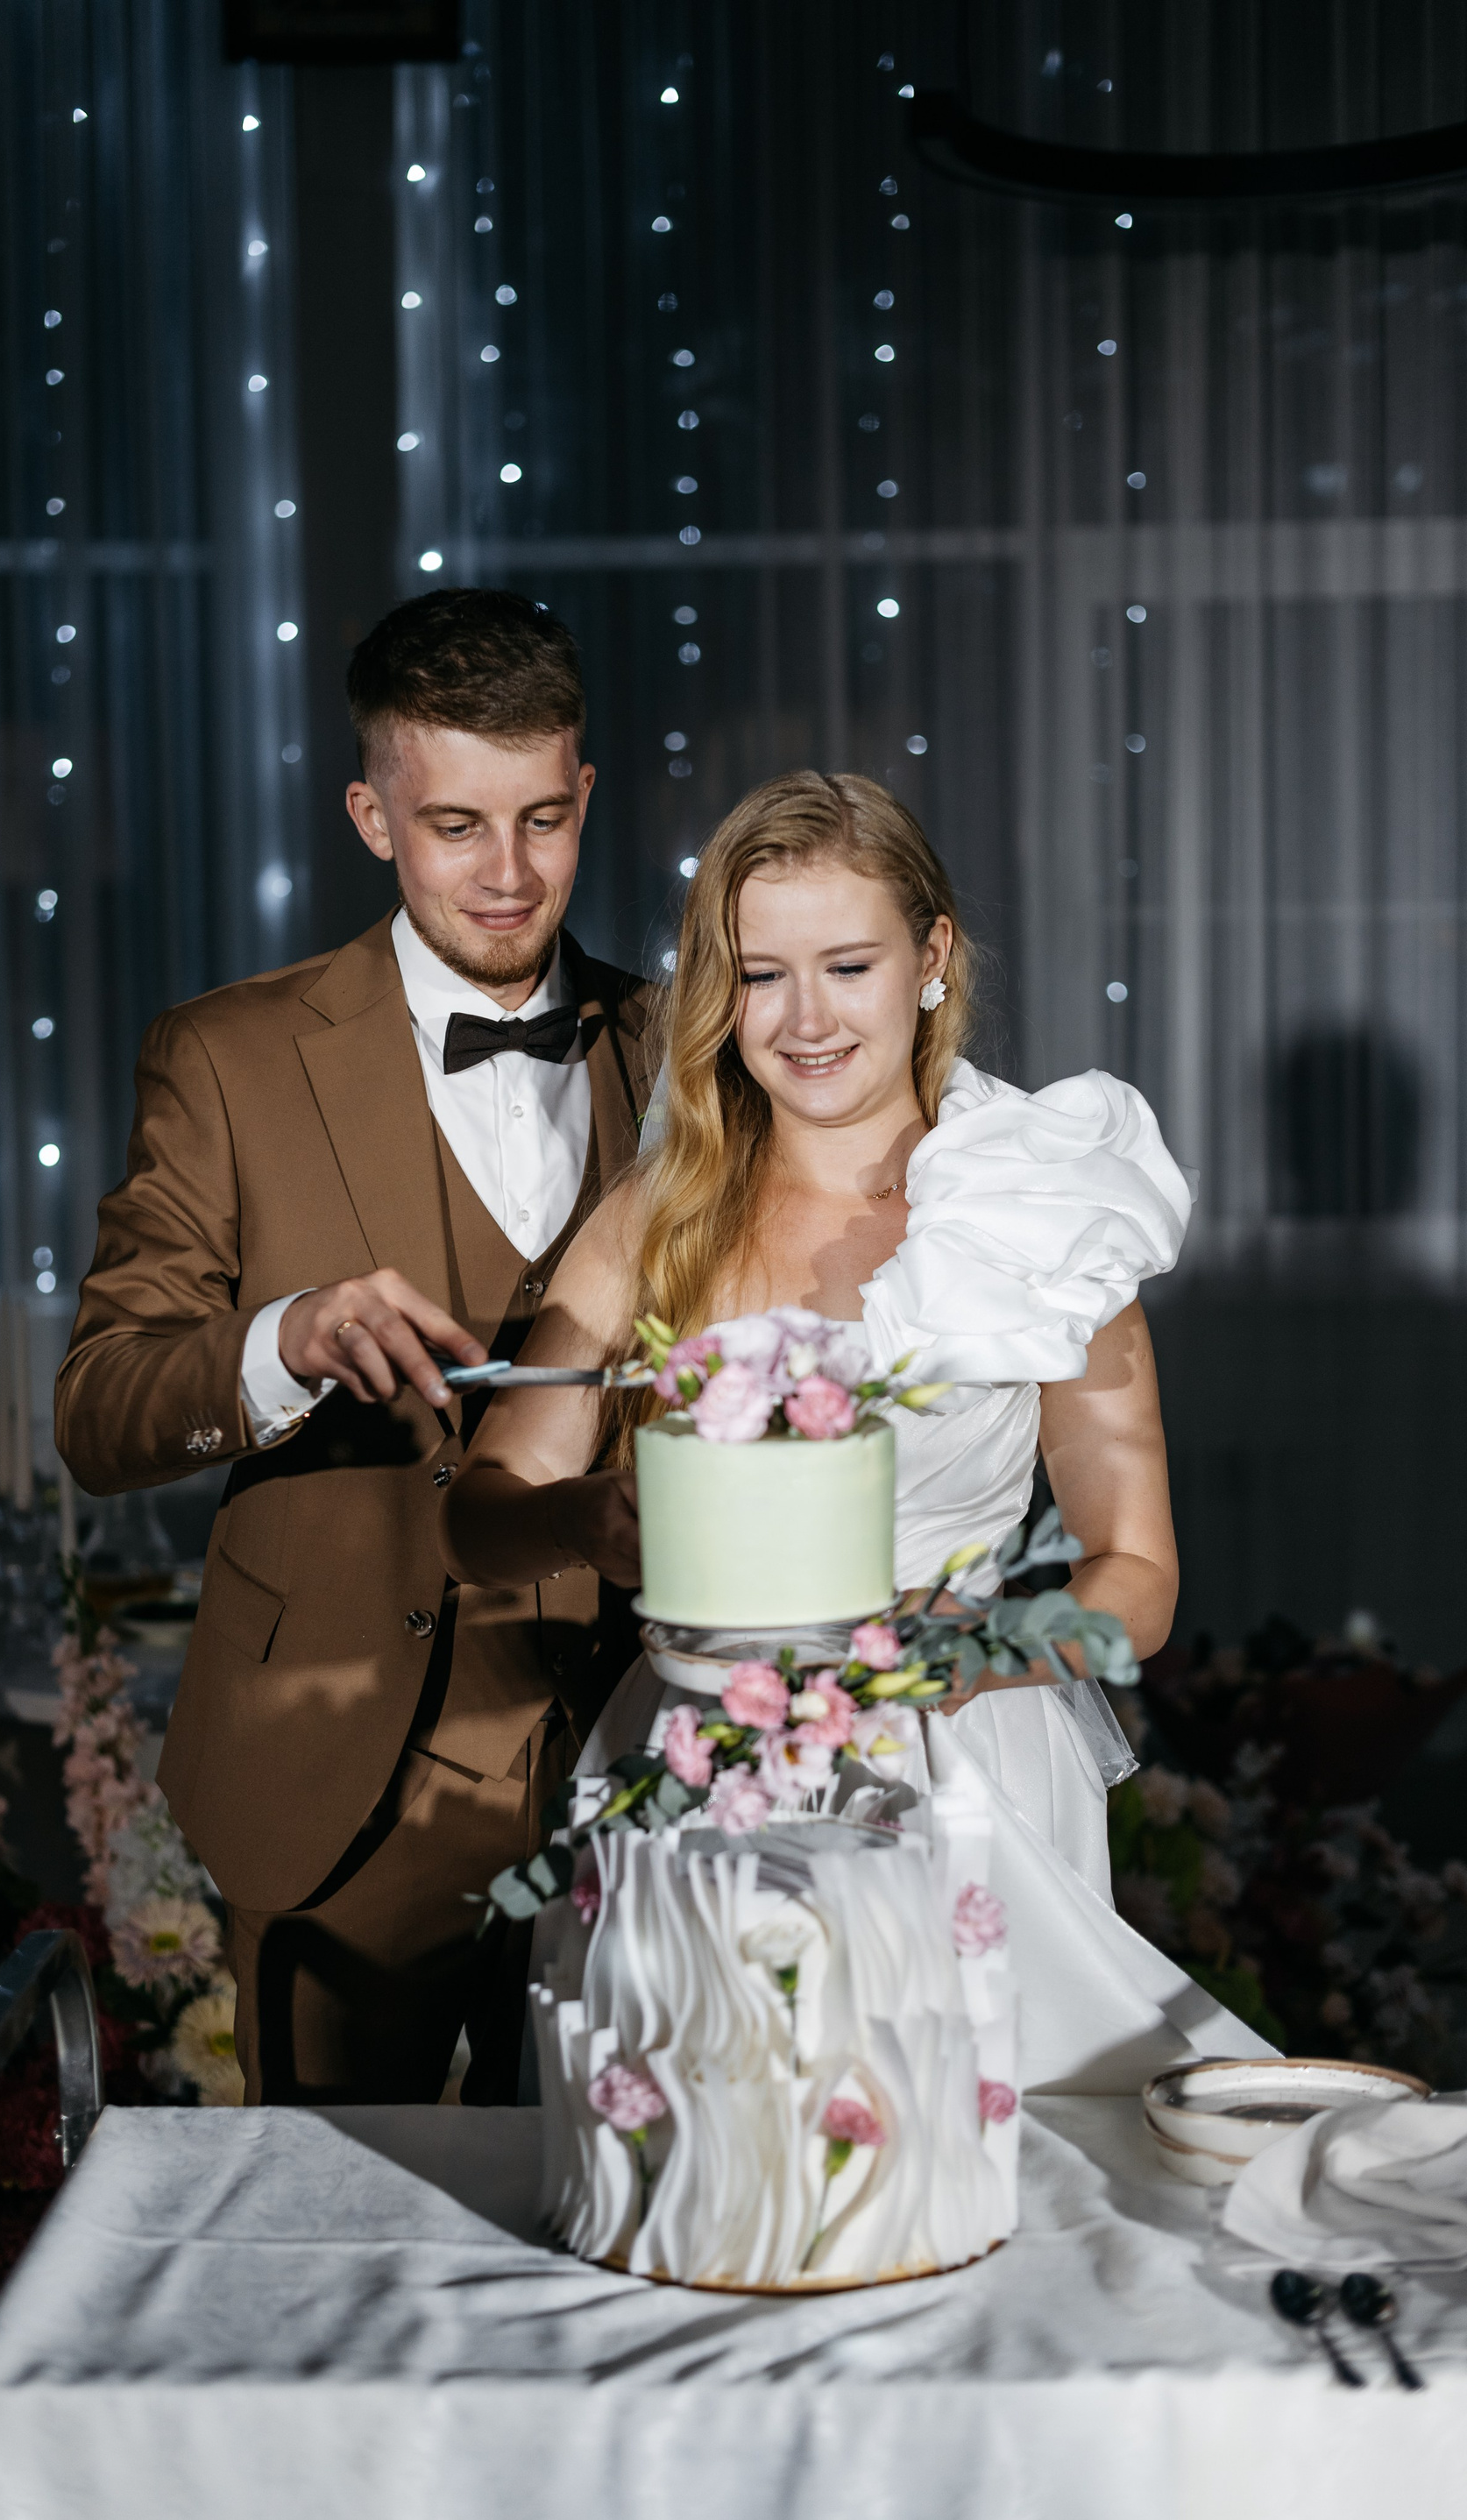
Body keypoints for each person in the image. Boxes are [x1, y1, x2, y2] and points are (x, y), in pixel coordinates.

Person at [440, 769, 1274, 2091]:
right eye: (762, 976)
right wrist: (583, 1517)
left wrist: (969, 1655)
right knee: (715, 2151)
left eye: (847, 966)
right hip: (704, 1757)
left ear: (931, 957)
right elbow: (479, 1516)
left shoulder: (1038, 1216)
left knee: (974, 2151)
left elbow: (1140, 1582)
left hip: (969, 1769)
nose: (807, 1018)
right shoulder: (658, 1217)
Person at [56, 589, 657, 2104]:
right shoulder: (229, 1057)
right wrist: (285, 1341)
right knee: (325, 2221)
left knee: (623, 2212)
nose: (508, 874)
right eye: (456, 826)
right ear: (372, 816)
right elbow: (99, 1411)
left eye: (542, 819)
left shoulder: (688, 1051)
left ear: (587, 795)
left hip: (635, 1773)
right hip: (337, 1782)